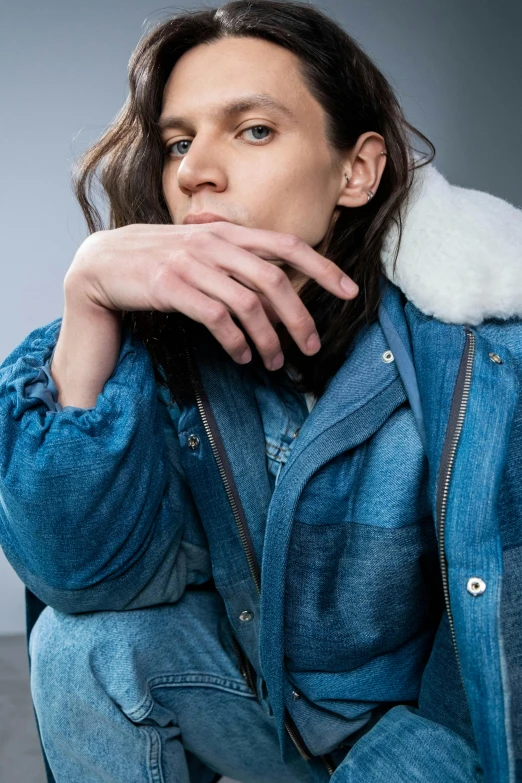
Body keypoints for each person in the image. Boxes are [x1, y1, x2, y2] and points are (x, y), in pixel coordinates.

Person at [0, 1, 520, 781]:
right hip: (261, 705)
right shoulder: (158, 335)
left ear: (357, 170)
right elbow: (81, 576)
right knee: (82, 649)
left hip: (423, 741)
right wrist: (90, 303)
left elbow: (492, 665)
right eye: (178, 140)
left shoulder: (479, 354)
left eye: (254, 130)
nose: (193, 171)